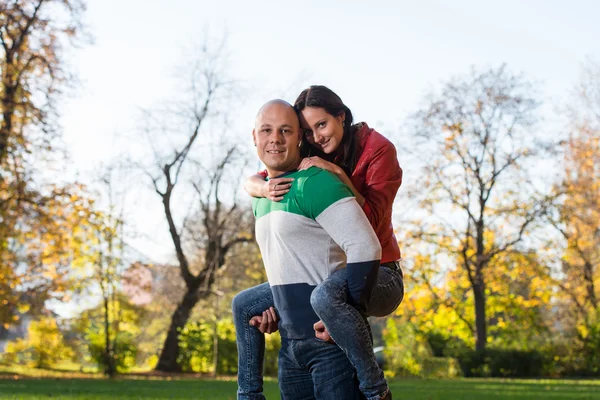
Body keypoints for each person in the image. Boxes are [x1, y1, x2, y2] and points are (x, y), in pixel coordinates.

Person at [233, 86, 404, 400]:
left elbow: (370, 231)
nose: (316, 136)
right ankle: (248, 394)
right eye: (308, 131)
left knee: (327, 298)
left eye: (320, 125)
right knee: (245, 304)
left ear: (341, 116)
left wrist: (337, 174)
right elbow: (265, 169)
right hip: (299, 332)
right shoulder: (301, 167)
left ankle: (374, 387)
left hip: (380, 271)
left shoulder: (374, 151)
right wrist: (258, 187)